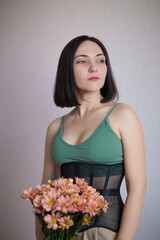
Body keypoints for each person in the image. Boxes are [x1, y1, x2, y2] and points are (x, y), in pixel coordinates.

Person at [35, 35, 147, 240]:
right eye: (82, 61)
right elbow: (44, 195)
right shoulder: (55, 128)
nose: (94, 67)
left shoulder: (123, 115)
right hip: (61, 233)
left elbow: (138, 188)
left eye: (100, 60)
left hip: (105, 233)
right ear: (67, 71)